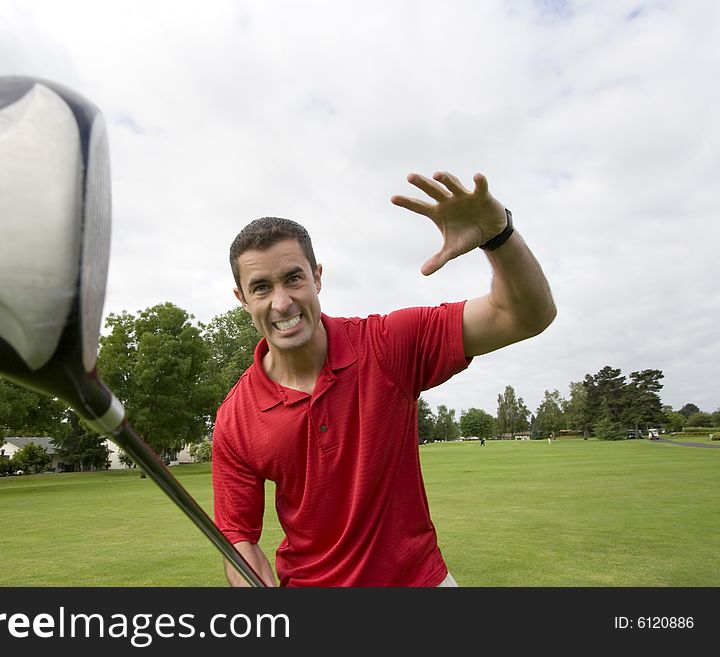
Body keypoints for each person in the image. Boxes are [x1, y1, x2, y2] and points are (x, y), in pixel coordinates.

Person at [211, 170, 556, 587]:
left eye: (294, 278)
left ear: (317, 277)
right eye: (261, 287)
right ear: (243, 299)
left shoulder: (386, 344)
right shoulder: (235, 417)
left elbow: (525, 315)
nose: (282, 303)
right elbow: (239, 537)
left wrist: (498, 235)